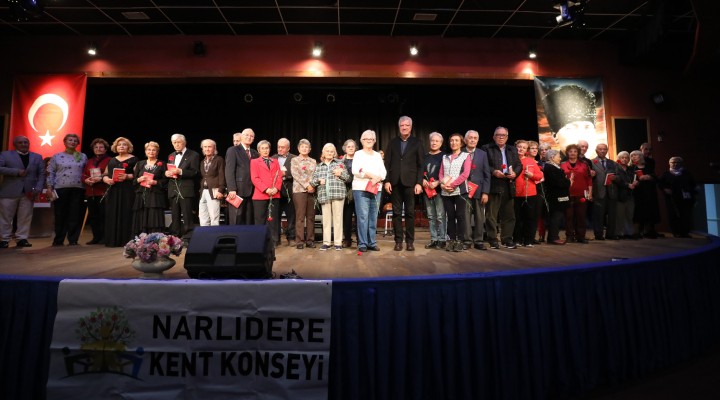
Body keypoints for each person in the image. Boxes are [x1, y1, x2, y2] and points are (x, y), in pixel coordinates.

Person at [383, 116, 424, 252]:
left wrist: (419, 183)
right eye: (402, 125)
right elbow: (387, 163)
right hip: (395, 182)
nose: (404, 127)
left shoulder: (417, 142)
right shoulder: (392, 142)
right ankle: (398, 241)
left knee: (410, 213)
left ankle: (410, 242)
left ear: (411, 127)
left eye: (407, 125)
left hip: (410, 183)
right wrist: (387, 181)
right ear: (399, 127)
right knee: (396, 213)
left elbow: (421, 165)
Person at [0, 135, 45, 248]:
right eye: (20, 142)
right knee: (5, 217)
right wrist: (16, 172)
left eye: (26, 142)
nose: (24, 144)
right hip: (9, 191)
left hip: (29, 192)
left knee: (25, 217)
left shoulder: (37, 157)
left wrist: (38, 188)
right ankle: (4, 239)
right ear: (15, 144)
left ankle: (22, 239)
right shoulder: (5, 155)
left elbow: (41, 174)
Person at [481, 126, 521, 249]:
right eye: (498, 135)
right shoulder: (486, 148)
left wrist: (515, 173)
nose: (501, 137)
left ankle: (507, 239)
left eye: (504, 135)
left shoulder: (512, 149)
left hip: (508, 184)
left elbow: (519, 165)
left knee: (509, 215)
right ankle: (492, 239)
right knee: (491, 216)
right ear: (494, 137)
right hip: (493, 184)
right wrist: (494, 172)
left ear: (507, 137)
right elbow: (484, 165)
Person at [47, 133, 87, 246]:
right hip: (61, 188)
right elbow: (51, 172)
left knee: (75, 214)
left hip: (78, 188)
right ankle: (58, 239)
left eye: (75, 140)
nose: (72, 142)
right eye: (70, 140)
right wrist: (49, 187)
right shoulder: (57, 156)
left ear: (78, 143)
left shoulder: (82, 156)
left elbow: (86, 171)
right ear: (64, 142)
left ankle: (73, 239)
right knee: (60, 214)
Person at [352, 130, 386, 252]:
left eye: (371, 139)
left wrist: (378, 178)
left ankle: (372, 242)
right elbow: (356, 170)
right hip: (361, 189)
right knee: (362, 216)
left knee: (373, 216)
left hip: (376, 188)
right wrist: (371, 175)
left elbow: (383, 171)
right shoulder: (358, 154)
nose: (369, 141)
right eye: (366, 139)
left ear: (374, 141)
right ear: (362, 141)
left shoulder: (377, 155)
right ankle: (362, 243)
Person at [312, 143, 350, 251]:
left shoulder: (340, 164)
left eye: (331, 151)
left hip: (338, 194)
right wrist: (318, 180)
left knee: (338, 219)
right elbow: (313, 181)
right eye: (327, 151)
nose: (329, 153)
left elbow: (348, 178)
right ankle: (326, 243)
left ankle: (338, 243)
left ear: (334, 153)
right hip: (324, 195)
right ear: (323, 153)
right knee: (326, 220)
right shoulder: (319, 166)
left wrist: (340, 174)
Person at [439, 133, 472, 252]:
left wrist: (452, 185)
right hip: (446, 192)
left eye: (456, 140)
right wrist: (443, 185)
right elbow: (441, 173)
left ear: (461, 143)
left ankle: (460, 241)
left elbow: (465, 174)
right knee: (450, 216)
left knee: (460, 216)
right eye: (452, 140)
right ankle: (451, 240)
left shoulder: (466, 156)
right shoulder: (445, 157)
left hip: (460, 191)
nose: (454, 143)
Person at [102, 137, 137, 247]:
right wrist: (106, 179)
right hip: (113, 190)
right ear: (115, 147)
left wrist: (127, 176)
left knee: (126, 213)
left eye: (124, 144)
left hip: (127, 190)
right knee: (112, 213)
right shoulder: (112, 160)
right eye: (119, 145)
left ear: (128, 147)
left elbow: (138, 175)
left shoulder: (134, 159)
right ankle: (112, 240)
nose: (121, 146)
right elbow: (105, 174)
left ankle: (126, 241)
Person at [165, 133, 200, 242]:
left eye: (179, 142)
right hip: (173, 188)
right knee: (175, 215)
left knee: (187, 214)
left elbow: (195, 172)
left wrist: (180, 171)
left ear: (184, 143)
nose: (177, 144)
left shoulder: (193, 155)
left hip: (185, 189)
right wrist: (167, 173)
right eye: (174, 142)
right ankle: (175, 237)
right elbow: (170, 169)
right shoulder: (171, 155)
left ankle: (188, 237)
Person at [464, 130, 491, 250]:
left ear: (478, 140)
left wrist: (485, 192)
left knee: (480, 217)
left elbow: (487, 174)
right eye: (470, 138)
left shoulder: (482, 154)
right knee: (466, 217)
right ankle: (467, 240)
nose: (473, 140)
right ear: (465, 140)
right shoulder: (460, 153)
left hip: (479, 191)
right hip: (464, 190)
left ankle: (479, 241)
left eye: (475, 138)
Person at [132, 141, 167, 235]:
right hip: (141, 195)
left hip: (155, 196)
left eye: (154, 150)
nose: (151, 152)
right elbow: (134, 180)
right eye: (149, 149)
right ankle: (141, 239)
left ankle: (154, 239)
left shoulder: (162, 164)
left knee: (154, 217)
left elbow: (166, 181)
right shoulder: (140, 164)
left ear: (157, 152)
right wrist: (139, 179)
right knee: (141, 217)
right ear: (145, 151)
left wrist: (155, 182)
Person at [250, 140, 282, 243]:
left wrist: (276, 188)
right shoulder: (254, 162)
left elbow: (279, 176)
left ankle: (273, 241)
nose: (265, 150)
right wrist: (266, 189)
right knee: (260, 219)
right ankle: (260, 241)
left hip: (274, 194)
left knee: (273, 220)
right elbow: (255, 178)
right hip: (260, 195)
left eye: (267, 148)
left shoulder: (275, 161)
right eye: (263, 148)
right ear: (259, 150)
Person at [513, 140, 543, 247]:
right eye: (519, 147)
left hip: (530, 194)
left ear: (526, 150)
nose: (521, 149)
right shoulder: (511, 160)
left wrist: (531, 175)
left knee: (530, 218)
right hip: (515, 194)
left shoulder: (530, 161)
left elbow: (540, 176)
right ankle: (517, 240)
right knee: (517, 218)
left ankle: (529, 240)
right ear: (515, 147)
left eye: (524, 147)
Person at [560, 144, 593, 243]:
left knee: (581, 216)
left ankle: (581, 236)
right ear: (567, 153)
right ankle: (569, 236)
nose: (573, 153)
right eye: (570, 151)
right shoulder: (562, 165)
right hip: (567, 194)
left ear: (578, 153)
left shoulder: (584, 164)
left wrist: (590, 193)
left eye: (575, 151)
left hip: (582, 194)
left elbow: (589, 180)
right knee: (568, 216)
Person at [82, 138, 111, 245]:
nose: (98, 149)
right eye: (96, 147)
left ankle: (104, 237)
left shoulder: (110, 160)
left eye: (101, 147)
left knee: (103, 216)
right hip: (91, 192)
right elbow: (83, 174)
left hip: (103, 192)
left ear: (105, 149)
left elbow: (111, 174)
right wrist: (86, 180)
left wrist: (101, 178)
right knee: (93, 216)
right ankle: (96, 237)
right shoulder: (89, 161)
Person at [225, 129, 257, 225]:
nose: (249, 137)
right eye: (246, 135)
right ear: (241, 137)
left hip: (252, 191)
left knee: (249, 220)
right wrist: (231, 189)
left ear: (253, 139)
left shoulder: (254, 153)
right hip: (237, 191)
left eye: (251, 136)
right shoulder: (233, 150)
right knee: (236, 219)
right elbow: (229, 171)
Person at [658, 156, 696, 238]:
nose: (675, 164)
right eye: (673, 162)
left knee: (685, 214)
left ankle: (685, 232)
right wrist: (665, 189)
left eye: (677, 162)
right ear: (669, 164)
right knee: (673, 214)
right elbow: (660, 184)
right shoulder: (666, 174)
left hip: (685, 198)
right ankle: (676, 232)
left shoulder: (686, 173)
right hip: (671, 198)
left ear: (681, 163)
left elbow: (693, 184)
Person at [422, 132, 447, 249]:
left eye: (437, 141)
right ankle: (434, 239)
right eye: (432, 140)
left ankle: (442, 239)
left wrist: (438, 182)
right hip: (427, 190)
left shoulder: (444, 156)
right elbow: (420, 171)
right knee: (431, 215)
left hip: (439, 190)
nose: (434, 143)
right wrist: (422, 180)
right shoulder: (425, 156)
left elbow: (448, 173)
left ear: (441, 143)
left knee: (440, 215)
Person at [290, 139, 317, 249]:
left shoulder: (313, 161)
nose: (304, 149)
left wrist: (313, 185)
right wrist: (307, 185)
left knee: (311, 217)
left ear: (310, 149)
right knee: (300, 217)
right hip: (299, 191)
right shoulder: (294, 160)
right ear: (298, 149)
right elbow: (296, 174)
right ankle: (300, 241)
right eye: (302, 147)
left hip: (312, 191)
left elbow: (316, 175)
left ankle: (310, 240)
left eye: (306, 147)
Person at [630, 150, 661, 238]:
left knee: (649, 210)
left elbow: (655, 177)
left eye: (636, 155)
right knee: (638, 211)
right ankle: (637, 232)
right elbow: (628, 179)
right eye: (632, 156)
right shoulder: (631, 167)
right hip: (637, 192)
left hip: (648, 192)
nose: (634, 157)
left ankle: (648, 231)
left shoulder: (648, 166)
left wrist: (649, 177)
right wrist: (634, 182)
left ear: (641, 156)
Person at [543, 149, 571, 245]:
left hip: (559, 196)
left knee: (558, 217)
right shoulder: (550, 168)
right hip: (555, 196)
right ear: (552, 157)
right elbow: (558, 182)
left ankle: (554, 236)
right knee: (556, 217)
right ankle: (553, 238)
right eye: (558, 156)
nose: (560, 158)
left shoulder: (554, 167)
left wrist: (566, 181)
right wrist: (569, 181)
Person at [272, 138, 296, 246]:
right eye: (279, 147)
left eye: (283, 147)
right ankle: (276, 239)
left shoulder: (294, 158)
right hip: (276, 192)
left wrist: (286, 174)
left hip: (290, 191)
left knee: (291, 215)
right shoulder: (273, 158)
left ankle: (291, 237)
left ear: (288, 148)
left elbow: (297, 173)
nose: (280, 149)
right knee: (275, 216)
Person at [591, 143, 618, 240]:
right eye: (600, 149)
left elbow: (619, 176)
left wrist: (615, 177)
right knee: (598, 215)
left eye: (604, 149)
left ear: (607, 150)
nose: (602, 151)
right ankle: (598, 235)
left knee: (612, 215)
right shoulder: (591, 162)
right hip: (598, 192)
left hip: (611, 192)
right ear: (596, 151)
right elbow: (587, 177)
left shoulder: (613, 163)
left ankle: (610, 234)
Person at [198, 139, 225, 227]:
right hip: (203, 191)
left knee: (214, 217)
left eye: (209, 147)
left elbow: (222, 175)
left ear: (214, 148)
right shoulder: (202, 161)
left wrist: (221, 190)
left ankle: (214, 234)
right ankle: (204, 234)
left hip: (214, 191)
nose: (207, 149)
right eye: (205, 147)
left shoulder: (219, 159)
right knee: (203, 216)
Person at [612, 151, 637, 239]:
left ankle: (629, 233)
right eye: (622, 157)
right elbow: (616, 180)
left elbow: (633, 179)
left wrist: (635, 183)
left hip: (630, 195)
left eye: (626, 158)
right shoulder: (615, 168)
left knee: (629, 215)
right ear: (619, 159)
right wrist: (627, 185)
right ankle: (619, 233)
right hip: (620, 195)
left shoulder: (631, 169)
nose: (625, 159)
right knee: (620, 216)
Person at [340, 139, 357, 248]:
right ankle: (347, 239)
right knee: (346, 217)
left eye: (352, 146)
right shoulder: (340, 162)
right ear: (345, 148)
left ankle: (360, 239)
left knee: (359, 216)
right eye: (348, 146)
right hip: (345, 191)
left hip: (358, 190)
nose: (351, 148)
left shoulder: (359, 160)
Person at [535, 142, 551, 243]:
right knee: (540, 215)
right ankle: (541, 235)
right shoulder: (537, 163)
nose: (544, 151)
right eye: (542, 150)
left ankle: (552, 235)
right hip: (540, 190)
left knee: (552, 214)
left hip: (551, 191)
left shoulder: (555, 163)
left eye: (546, 149)